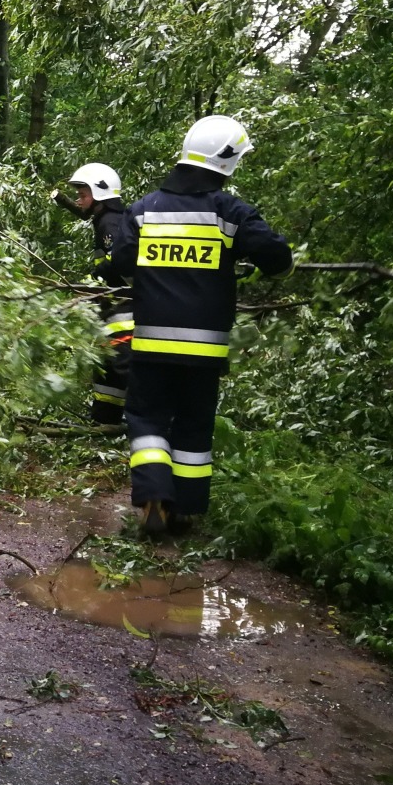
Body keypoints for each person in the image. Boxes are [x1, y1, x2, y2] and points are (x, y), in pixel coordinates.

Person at [106, 115, 293, 537]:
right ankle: (185, 511)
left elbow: (121, 263)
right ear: (228, 161)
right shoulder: (230, 212)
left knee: (147, 419)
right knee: (193, 425)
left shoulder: (144, 209)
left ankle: (153, 496)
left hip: (151, 344)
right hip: (204, 351)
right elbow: (277, 258)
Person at [53, 163, 135, 426]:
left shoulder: (111, 222)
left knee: (122, 364)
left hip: (125, 309)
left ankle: (144, 422)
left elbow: (121, 262)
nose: (78, 200)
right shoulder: (108, 220)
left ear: (100, 193)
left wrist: (93, 282)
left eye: (82, 194)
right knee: (108, 367)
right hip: (114, 307)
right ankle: (104, 422)